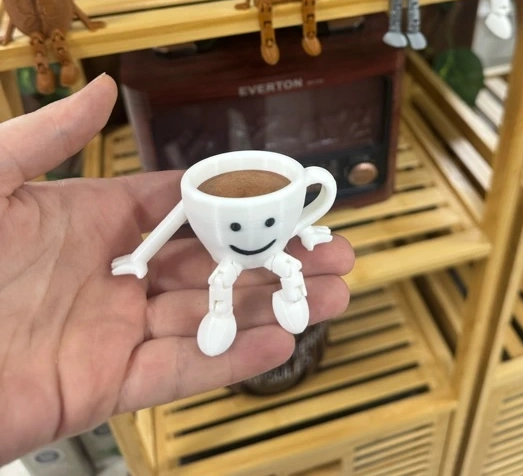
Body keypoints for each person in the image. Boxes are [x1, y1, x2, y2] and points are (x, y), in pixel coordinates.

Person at [0, 75, 354, 465]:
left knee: (290, 270)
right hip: (227, 261)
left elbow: (319, 186)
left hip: (275, 254)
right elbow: (168, 224)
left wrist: (301, 226)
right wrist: (139, 257)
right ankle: (219, 318)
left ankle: (291, 300)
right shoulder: (196, 198)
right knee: (221, 282)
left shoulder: (291, 193)